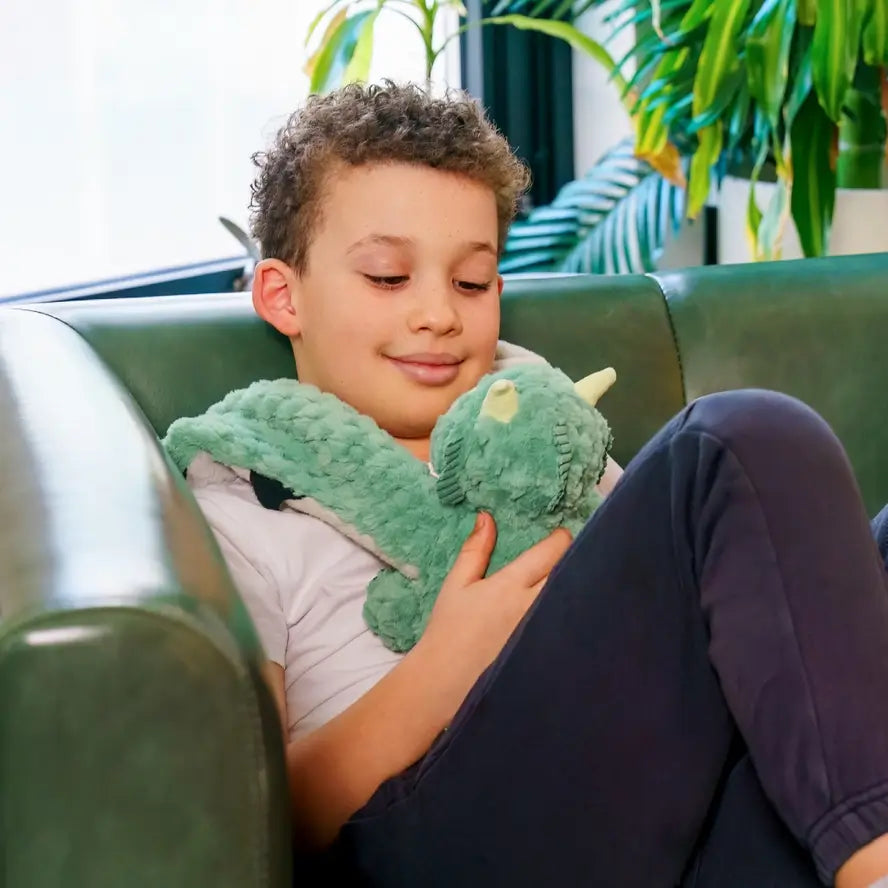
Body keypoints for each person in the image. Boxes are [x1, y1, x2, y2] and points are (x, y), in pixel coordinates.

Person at [182, 81, 888, 887]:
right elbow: (260, 820)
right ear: (283, 295)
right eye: (387, 277)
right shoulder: (238, 499)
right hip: (438, 841)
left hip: (663, 822)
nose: (438, 314)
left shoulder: (541, 424)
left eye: (471, 282)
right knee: (740, 438)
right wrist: (445, 666)